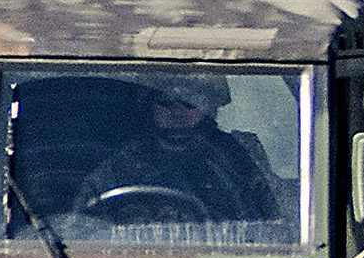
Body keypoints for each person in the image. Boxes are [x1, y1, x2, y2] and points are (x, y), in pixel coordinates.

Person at [72, 77, 279, 227]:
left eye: (190, 102)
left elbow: (274, 222)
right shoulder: (119, 167)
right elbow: (83, 230)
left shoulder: (238, 159)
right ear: (150, 105)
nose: (178, 112)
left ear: (211, 105)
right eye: (167, 101)